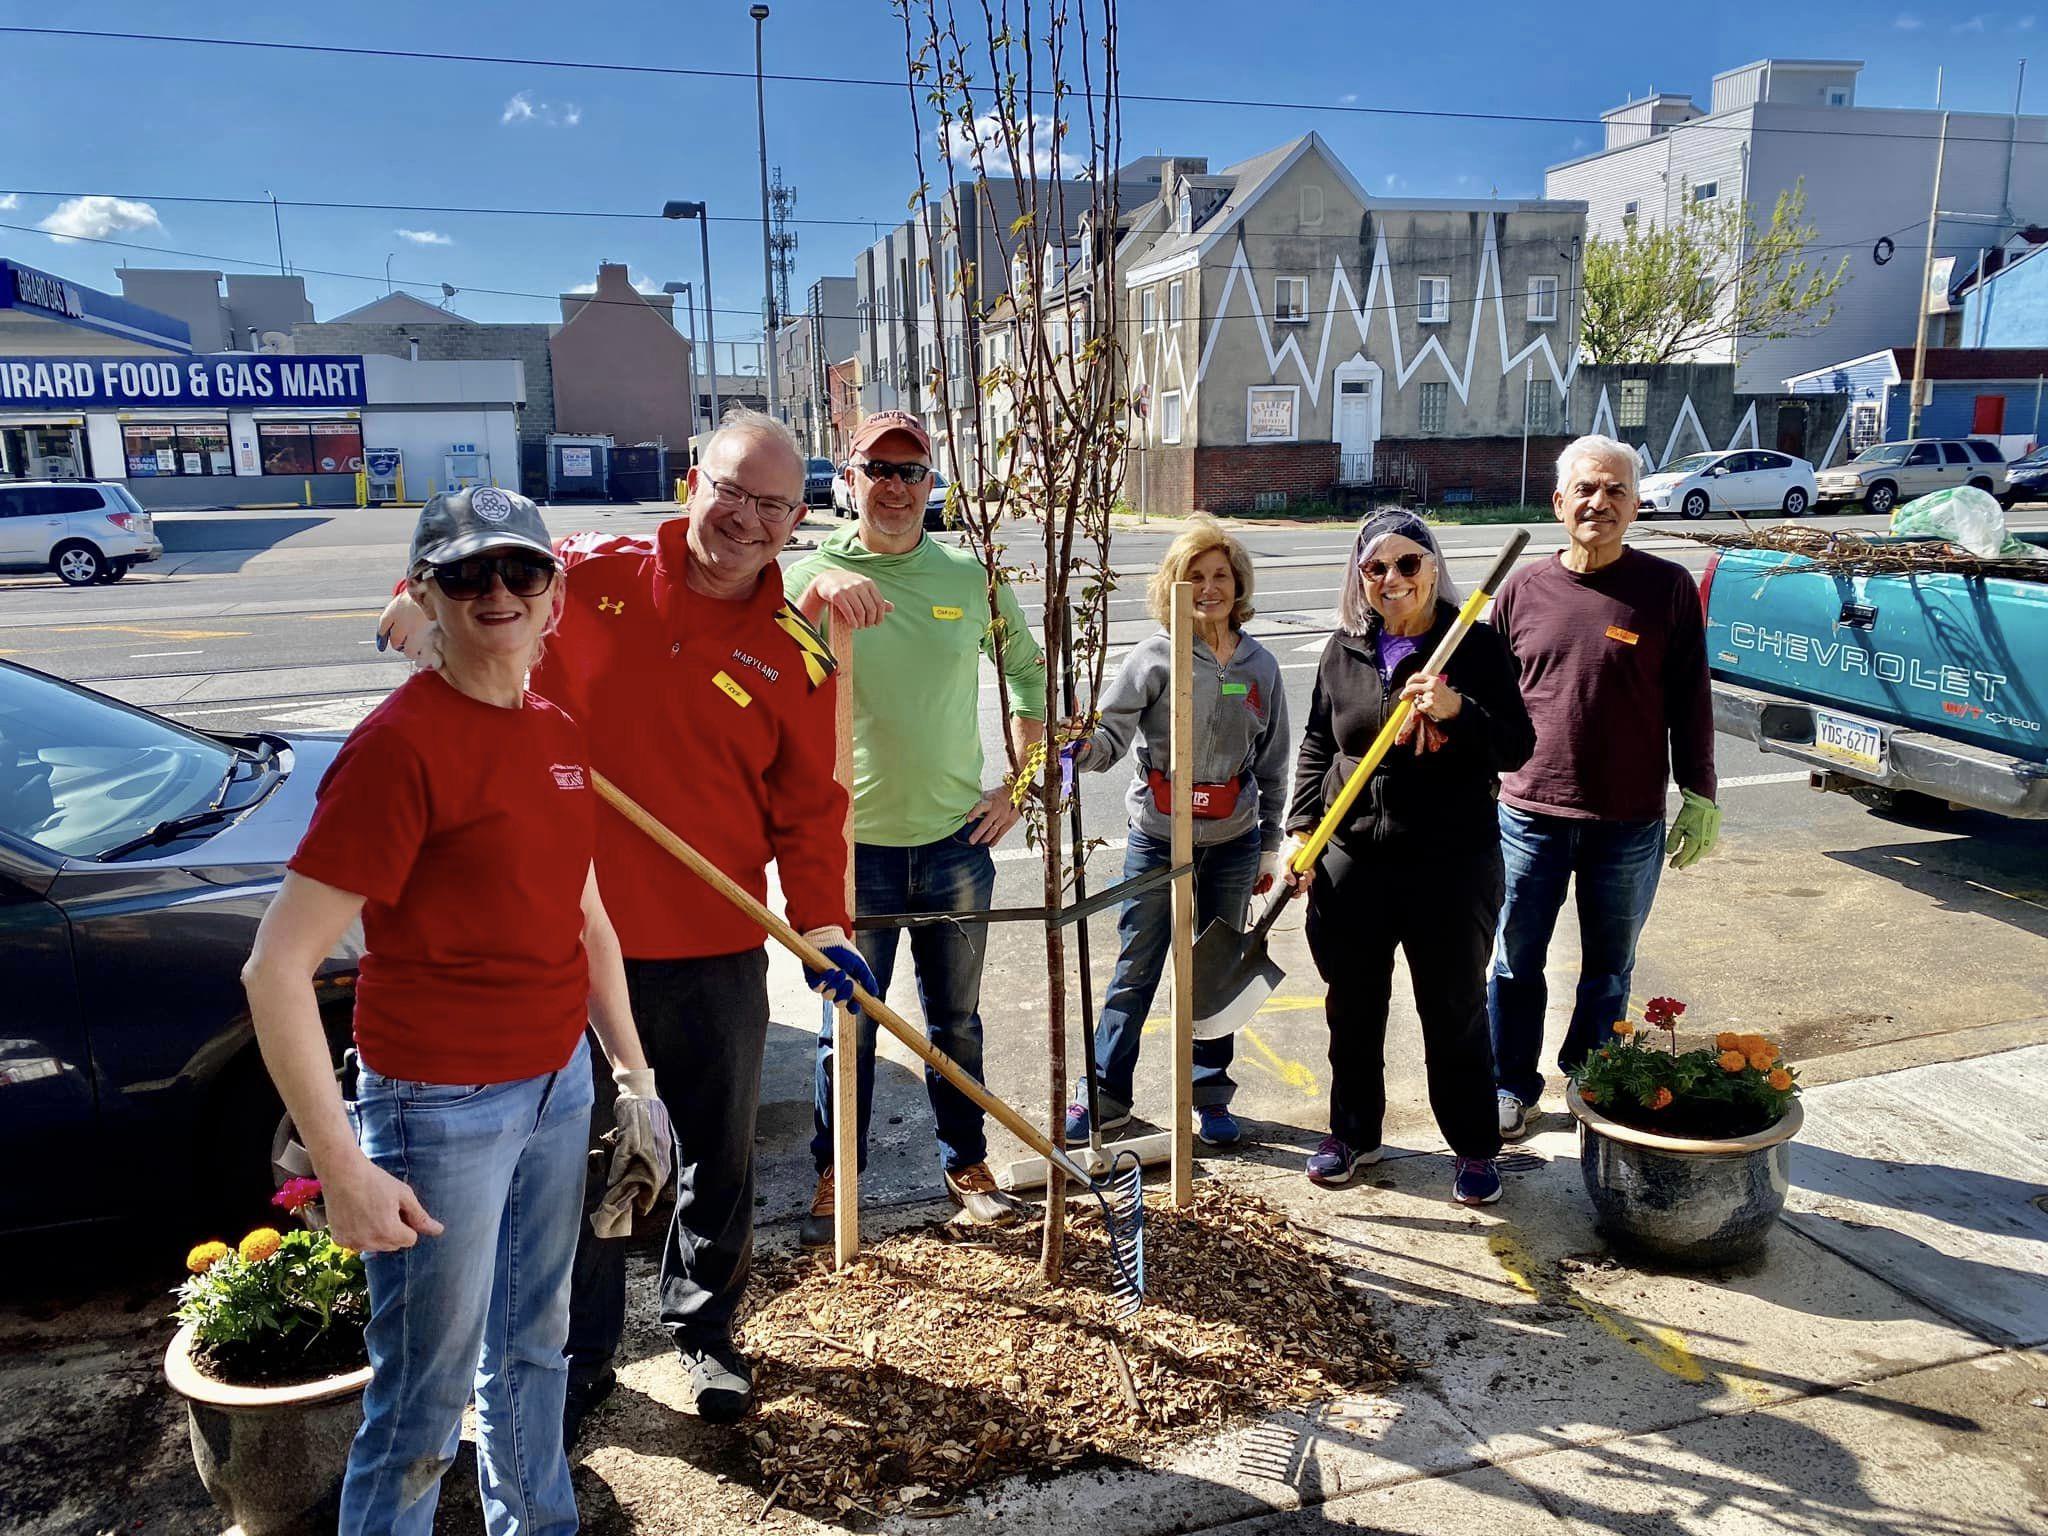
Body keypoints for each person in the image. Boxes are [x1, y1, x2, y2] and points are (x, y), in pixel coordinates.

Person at [376, 413, 871, 1428]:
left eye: (774, 505)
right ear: (694, 481)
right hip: (566, 941)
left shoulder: (795, 656)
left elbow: (810, 812)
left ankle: (704, 1332)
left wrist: (821, 925)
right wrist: (413, 618)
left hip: (716, 949)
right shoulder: (578, 576)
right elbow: (456, 583)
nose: (747, 519)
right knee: (583, 1161)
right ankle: (580, 1350)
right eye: (732, 491)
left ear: (797, 518)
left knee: (713, 1157)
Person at [243, 487, 673, 1534]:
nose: (496, 592)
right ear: (422, 597)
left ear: (553, 596)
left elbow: (588, 921)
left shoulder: (556, 732)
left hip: (556, 1086)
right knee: (423, 1398)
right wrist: (343, 1169)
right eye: (465, 573)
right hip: (438, 1107)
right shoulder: (398, 748)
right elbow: (275, 968)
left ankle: (540, 1520)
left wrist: (633, 1077)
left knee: (534, 1348)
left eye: (519, 571)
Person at [787, 409, 1045, 1246]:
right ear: (847, 478)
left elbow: (1027, 672)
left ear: (931, 485)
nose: (895, 487)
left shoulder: (968, 577)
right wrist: (821, 590)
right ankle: (840, 1174)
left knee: (956, 1022)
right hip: (851, 850)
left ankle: (964, 1159)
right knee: (848, 1026)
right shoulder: (809, 576)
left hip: (953, 845)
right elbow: (758, 675)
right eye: (879, 469)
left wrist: (1023, 786)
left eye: (912, 472)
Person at [1288, 508, 1535, 1206]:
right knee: (1353, 1009)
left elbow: (1517, 747)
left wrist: (1458, 711)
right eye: (1376, 568)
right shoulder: (1346, 649)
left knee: (1453, 1009)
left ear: (1432, 566)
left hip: (1450, 867)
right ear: (1360, 577)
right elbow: (1317, 742)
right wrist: (1301, 828)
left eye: (1407, 564)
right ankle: (1354, 1134)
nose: (1392, 579)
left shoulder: (1475, 646)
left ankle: (1474, 1145)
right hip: (1353, 860)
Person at [1487, 435, 1720, 1143]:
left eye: (1616, 490)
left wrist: (1700, 790)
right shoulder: (1522, 589)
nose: (1600, 502)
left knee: (1609, 968)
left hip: (1629, 820)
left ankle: (1592, 1082)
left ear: (1636, 505)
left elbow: (1691, 698)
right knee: (1514, 960)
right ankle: (1509, 1084)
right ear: (1559, 503)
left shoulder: (1667, 589)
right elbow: (1487, 701)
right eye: (1586, 489)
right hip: (1528, 812)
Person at [1060, 515, 1289, 1148]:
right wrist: (1080, 750)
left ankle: (1209, 1093)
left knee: (1216, 967)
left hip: (1234, 841)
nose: (1210, 587)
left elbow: (1272, 761)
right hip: (1159, 836)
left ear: (1237, 584)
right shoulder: (1154, 656)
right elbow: (1110, 736)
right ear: (1175, 584)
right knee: (1138, 964)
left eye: (1221, 575)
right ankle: (1105, 1094)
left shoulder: (1259, 665)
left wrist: (1269, 842)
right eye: (1196, 575)